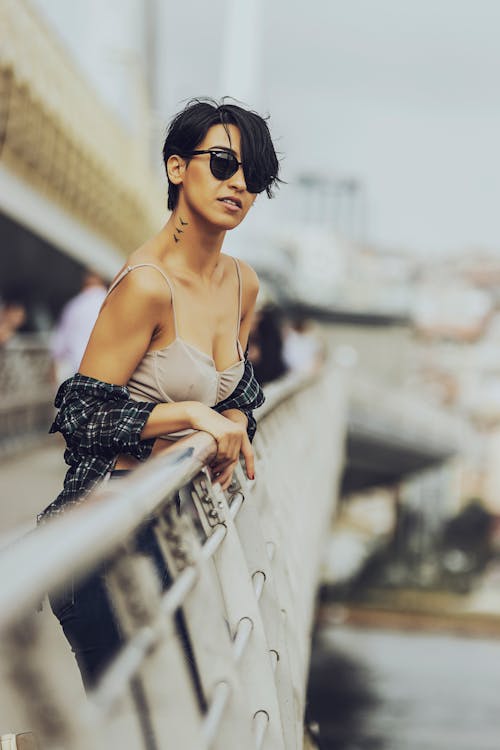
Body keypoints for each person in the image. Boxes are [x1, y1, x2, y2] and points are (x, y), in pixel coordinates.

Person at [39, 98, 281, 688]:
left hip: (180, 532)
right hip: (104, 541)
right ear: (177, 168)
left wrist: (230, 424)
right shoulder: (147, 285)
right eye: (223, 163)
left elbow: (241, 392)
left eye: (256, 174)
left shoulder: (241, 283)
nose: (240, 184)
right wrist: (194, 413)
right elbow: (79, 414)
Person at [50, 269, 107, 383]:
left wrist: (53, 368)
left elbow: (60, 342)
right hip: (103, 370)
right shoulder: (110, 303)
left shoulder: (74, 305)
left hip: (73, 368)